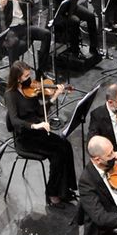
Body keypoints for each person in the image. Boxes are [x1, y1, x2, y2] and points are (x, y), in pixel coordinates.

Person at [6, 60, 75, 206]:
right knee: (57, 153)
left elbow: (39, 112)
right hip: (25, 136)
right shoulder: (10, 95)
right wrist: (35, 126)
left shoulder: (30, 89)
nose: (29, 78)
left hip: (38, 132)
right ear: (17, 78)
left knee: (66, 145)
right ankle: (51, 193)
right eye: (25, 76)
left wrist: (54, 96)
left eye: (29, 74)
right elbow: (14, 121)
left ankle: (66, 189)